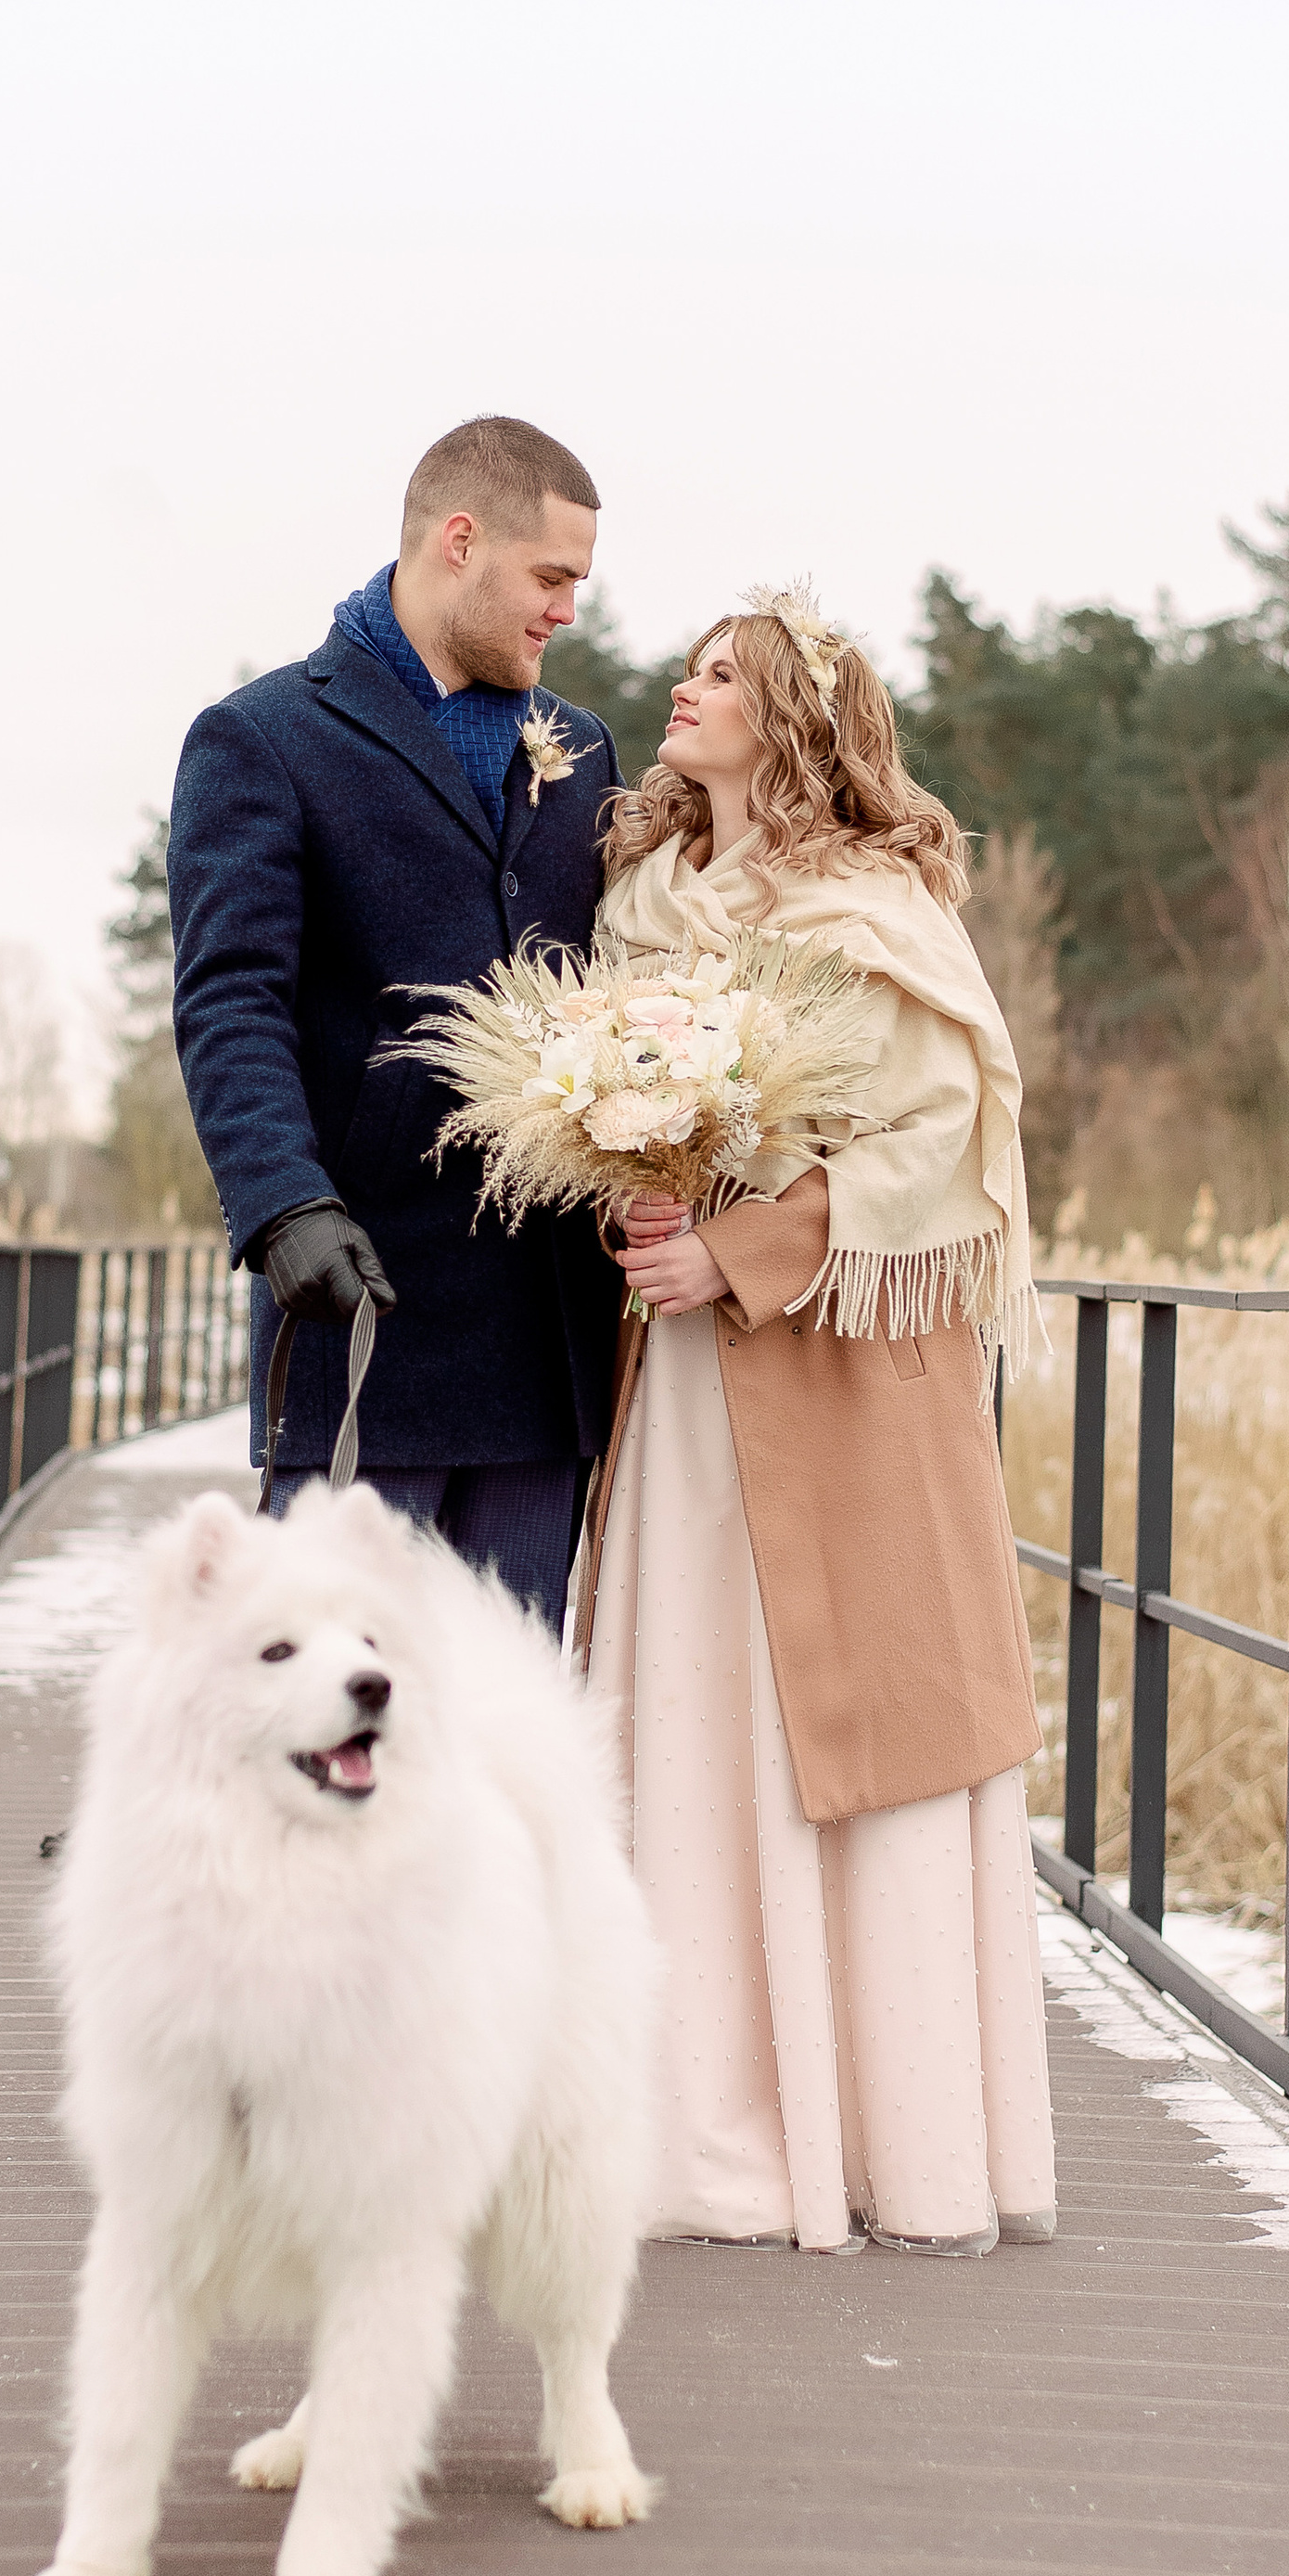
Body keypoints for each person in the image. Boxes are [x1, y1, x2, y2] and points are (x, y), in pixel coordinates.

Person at [575, 585, 1055, 2254]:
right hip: (685, 1384)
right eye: (690, 667)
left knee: (842, 1725)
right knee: (689, 1710)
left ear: (792, 723)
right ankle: (693, 2122)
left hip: (841, 1378)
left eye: (727, 674)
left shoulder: (873, 911)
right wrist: (635, 1195)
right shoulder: (638, 903)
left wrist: (744, 1244)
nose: (687, 689)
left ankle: (882, 2136)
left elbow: (945, 1147)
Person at [168, 415, 625, 1627]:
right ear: (458, 541)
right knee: (327, 1697)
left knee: (503, 1713)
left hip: (547, 1326)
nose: (567, 610)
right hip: (364, 1301)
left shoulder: (583, 747)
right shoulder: (263, 737)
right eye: (551, 577)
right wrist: (282, 1202)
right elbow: (231, 996)